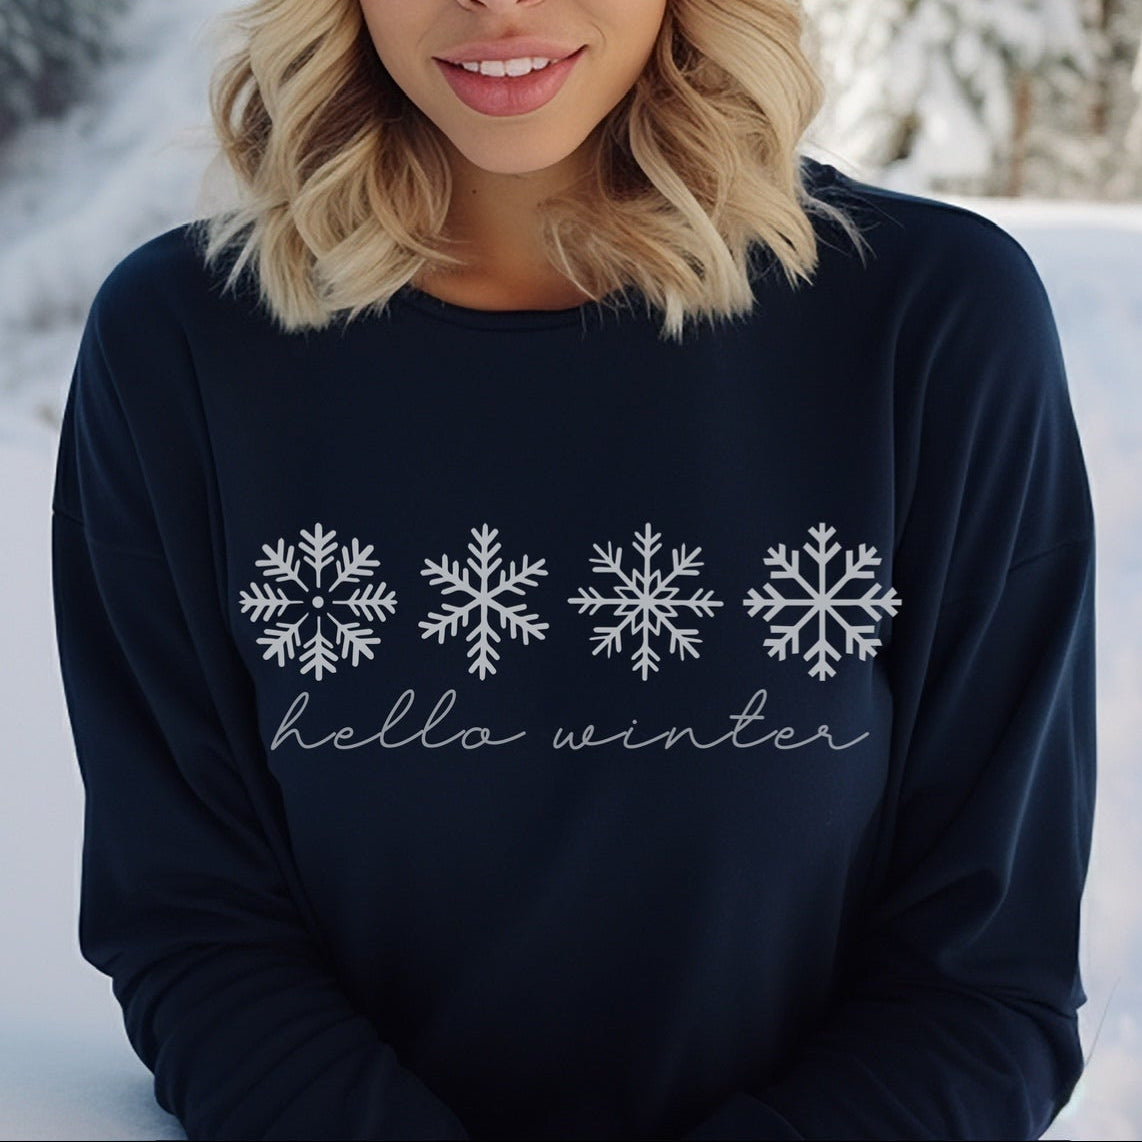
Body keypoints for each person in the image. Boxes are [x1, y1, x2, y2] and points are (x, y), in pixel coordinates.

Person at [52, 0, 1095, 1138]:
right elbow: (196, 926)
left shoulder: (929, 323)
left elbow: (984, 978)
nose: (496, 2)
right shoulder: (182, 347)